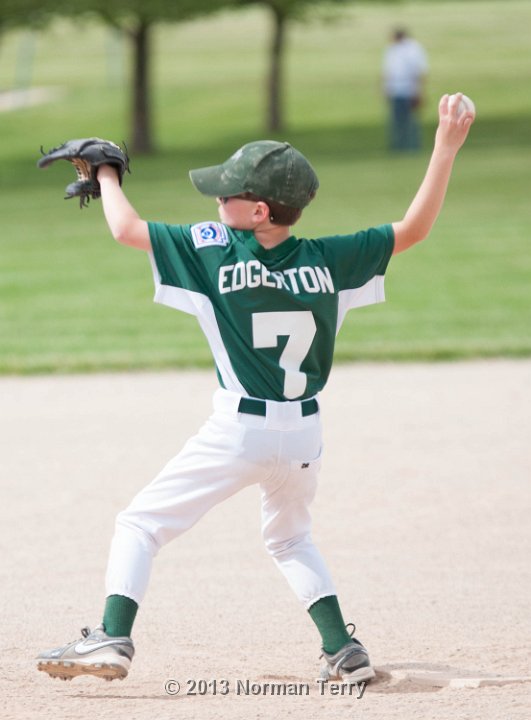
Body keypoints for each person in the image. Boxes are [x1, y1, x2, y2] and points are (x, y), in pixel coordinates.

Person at [36, 93, 474, 685]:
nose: (216, 201)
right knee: (291, 539)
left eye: (227, 195)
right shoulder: (332, 259)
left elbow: (125, 228)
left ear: (260, 211)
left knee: (139, 524)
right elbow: (415, 229)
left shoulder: (215, 253)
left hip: (239, 431)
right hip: (304, 435)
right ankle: (342, 649)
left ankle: (112, 635)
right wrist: (445, 147)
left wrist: (107, 173)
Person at [383, 28, 429, 151]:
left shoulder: (413, 49)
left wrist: (418, 91)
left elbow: (419, 71)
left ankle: (412, 146)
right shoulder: (391, 49)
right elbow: (388, 71)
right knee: (397, 121)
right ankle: (399, 146)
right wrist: (386, 88)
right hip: (396, 89)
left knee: (411, 121)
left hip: (409, 90)